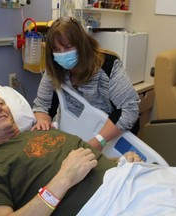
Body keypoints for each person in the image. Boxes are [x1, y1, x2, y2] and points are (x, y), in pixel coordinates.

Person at [0, 88, 141, 216]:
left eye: (0, 102)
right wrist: (63, 180)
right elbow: (69, 169)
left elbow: (80, 163)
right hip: (106, 207)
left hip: (131, 182)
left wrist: (117, 162)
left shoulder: (43, 131)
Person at [32, 16, 140, 152]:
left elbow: (128, 109)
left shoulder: (108, 65)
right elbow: (43, 105)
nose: (62, 54)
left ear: (81, 45)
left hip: (113, 136)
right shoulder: (54, 69)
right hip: (78, 133)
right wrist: (42, 120)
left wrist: (99, 141)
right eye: (57, 50)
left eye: (67, 47)